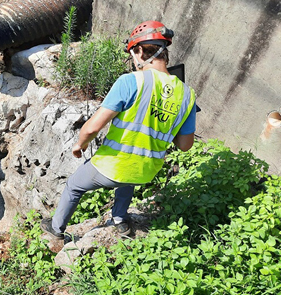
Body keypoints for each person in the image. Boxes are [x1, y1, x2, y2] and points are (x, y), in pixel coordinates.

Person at [41, 20, 197, 239]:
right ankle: (120, 220)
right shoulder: (187, 95)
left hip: (112, 166)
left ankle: (56, 230)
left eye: (133, 52)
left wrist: (80, 145)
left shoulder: (131, 81)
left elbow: (92, 128)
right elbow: (184, 145)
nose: (133, 59)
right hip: (146, 170)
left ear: (141, 51)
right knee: (127, 181)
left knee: (74, 185)